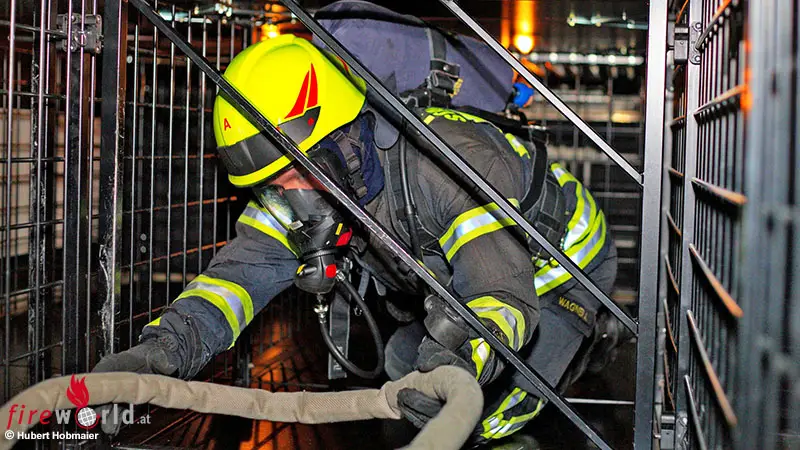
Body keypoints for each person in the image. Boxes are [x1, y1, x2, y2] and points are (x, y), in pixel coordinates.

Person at [93, 34, 623, 444]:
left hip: (561, 275)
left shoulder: (445, 164)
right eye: (272, 188)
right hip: (472, 277)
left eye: (296, 176)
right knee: (403, 369)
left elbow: (501, 291)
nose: (292, 201)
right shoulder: (309, 187)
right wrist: (157, 355)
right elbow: (234, 280)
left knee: (481, 419)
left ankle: (585, 342)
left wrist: (465, 357)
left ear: (342, 139)